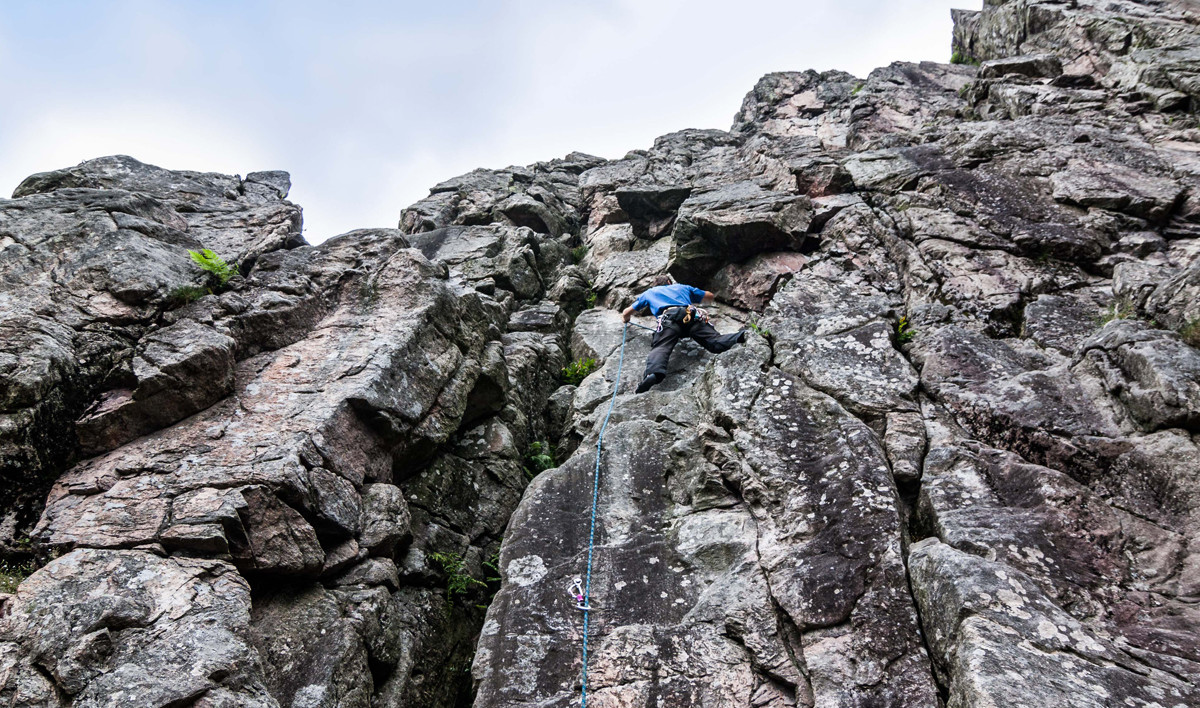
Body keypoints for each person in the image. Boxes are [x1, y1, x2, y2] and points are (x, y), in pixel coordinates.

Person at [621, 275, 746, 393]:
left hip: (669, 320)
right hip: (691, 316)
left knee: (661, 347)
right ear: (669, 282)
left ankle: (653, 374)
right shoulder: (682, 287)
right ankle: (741, 336)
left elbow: (627, 312)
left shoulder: (650, 292)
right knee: (714, 340)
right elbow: (709, 296)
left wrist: (626, 319)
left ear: (655, 285)